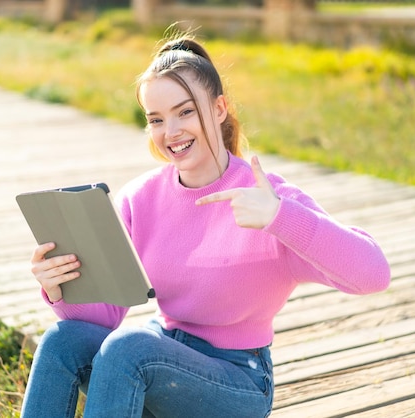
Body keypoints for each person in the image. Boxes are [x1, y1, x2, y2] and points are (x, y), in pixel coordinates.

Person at [20, 34, 391, 418]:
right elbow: (104, 317)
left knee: (129, 347)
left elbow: (374, 274)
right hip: (155, 359)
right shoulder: (140, 198)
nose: (172, 132)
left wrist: (282, 218)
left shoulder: (266, 197)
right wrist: (60, 288)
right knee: (64, 341)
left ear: (219, 109)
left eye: (186, 112)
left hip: (237, 380)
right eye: (157, 120)